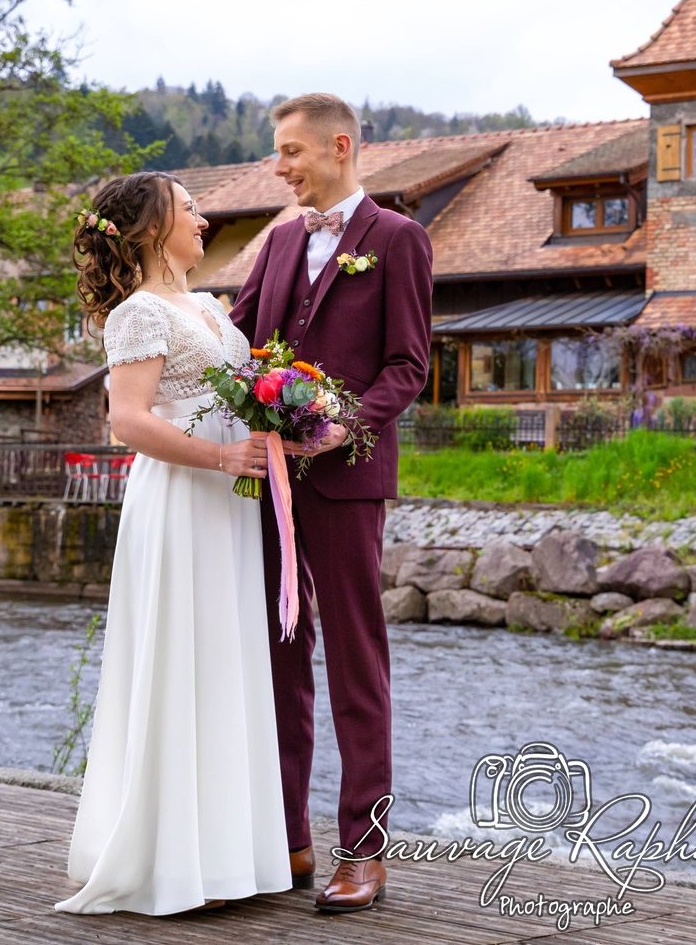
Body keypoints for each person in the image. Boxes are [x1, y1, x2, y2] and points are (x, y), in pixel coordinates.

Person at [54, 171, 290, 917]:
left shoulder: (212, 308)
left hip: (229, 506)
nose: (203, 219)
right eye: (190, 208)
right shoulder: (137, 313)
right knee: (182, 657)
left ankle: (226, 855)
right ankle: (172, 860)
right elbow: (128, 420)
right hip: (183, 497)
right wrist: (219, 456)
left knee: (224, 661)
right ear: (154, 227)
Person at [228, 93, 434, 914]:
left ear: (338, 146)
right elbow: (237, 338)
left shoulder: (398, 238)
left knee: (356, 662)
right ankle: (289, 837)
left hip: (348, 477)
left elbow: (407, 364)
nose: (278, 166)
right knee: (277, 654)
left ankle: (364, 850)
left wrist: (346, 424)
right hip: (268, 479)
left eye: (289, 151)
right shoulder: (279, 239)